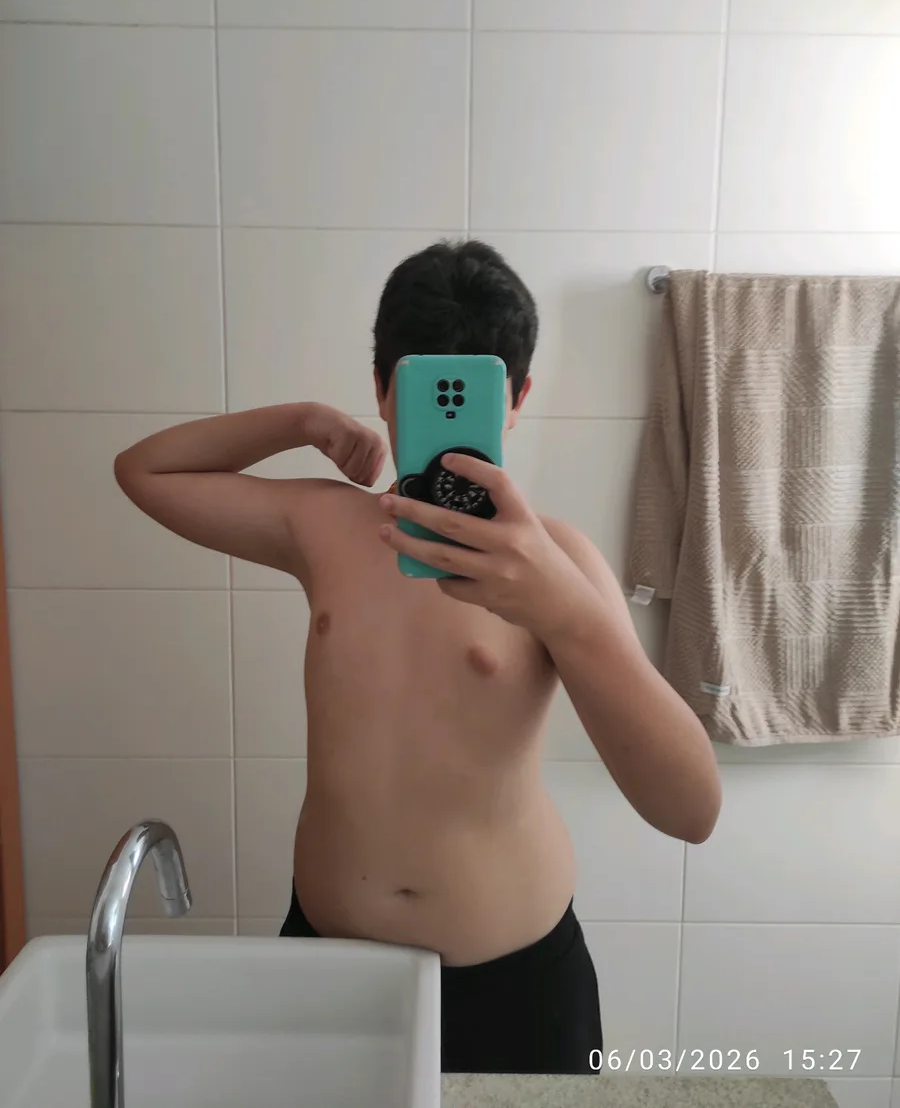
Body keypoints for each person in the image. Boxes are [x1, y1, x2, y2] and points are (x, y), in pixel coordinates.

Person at [114, 239, 721, 1075]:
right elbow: (145, 470)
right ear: (382, 391)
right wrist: (302, 421)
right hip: (328, 968)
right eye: (421, 391)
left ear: (515, 399)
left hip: (517, 986)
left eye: (473, 395)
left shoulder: (562, 563)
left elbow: (691, 808)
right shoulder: (326, 526)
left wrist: (564, 611)